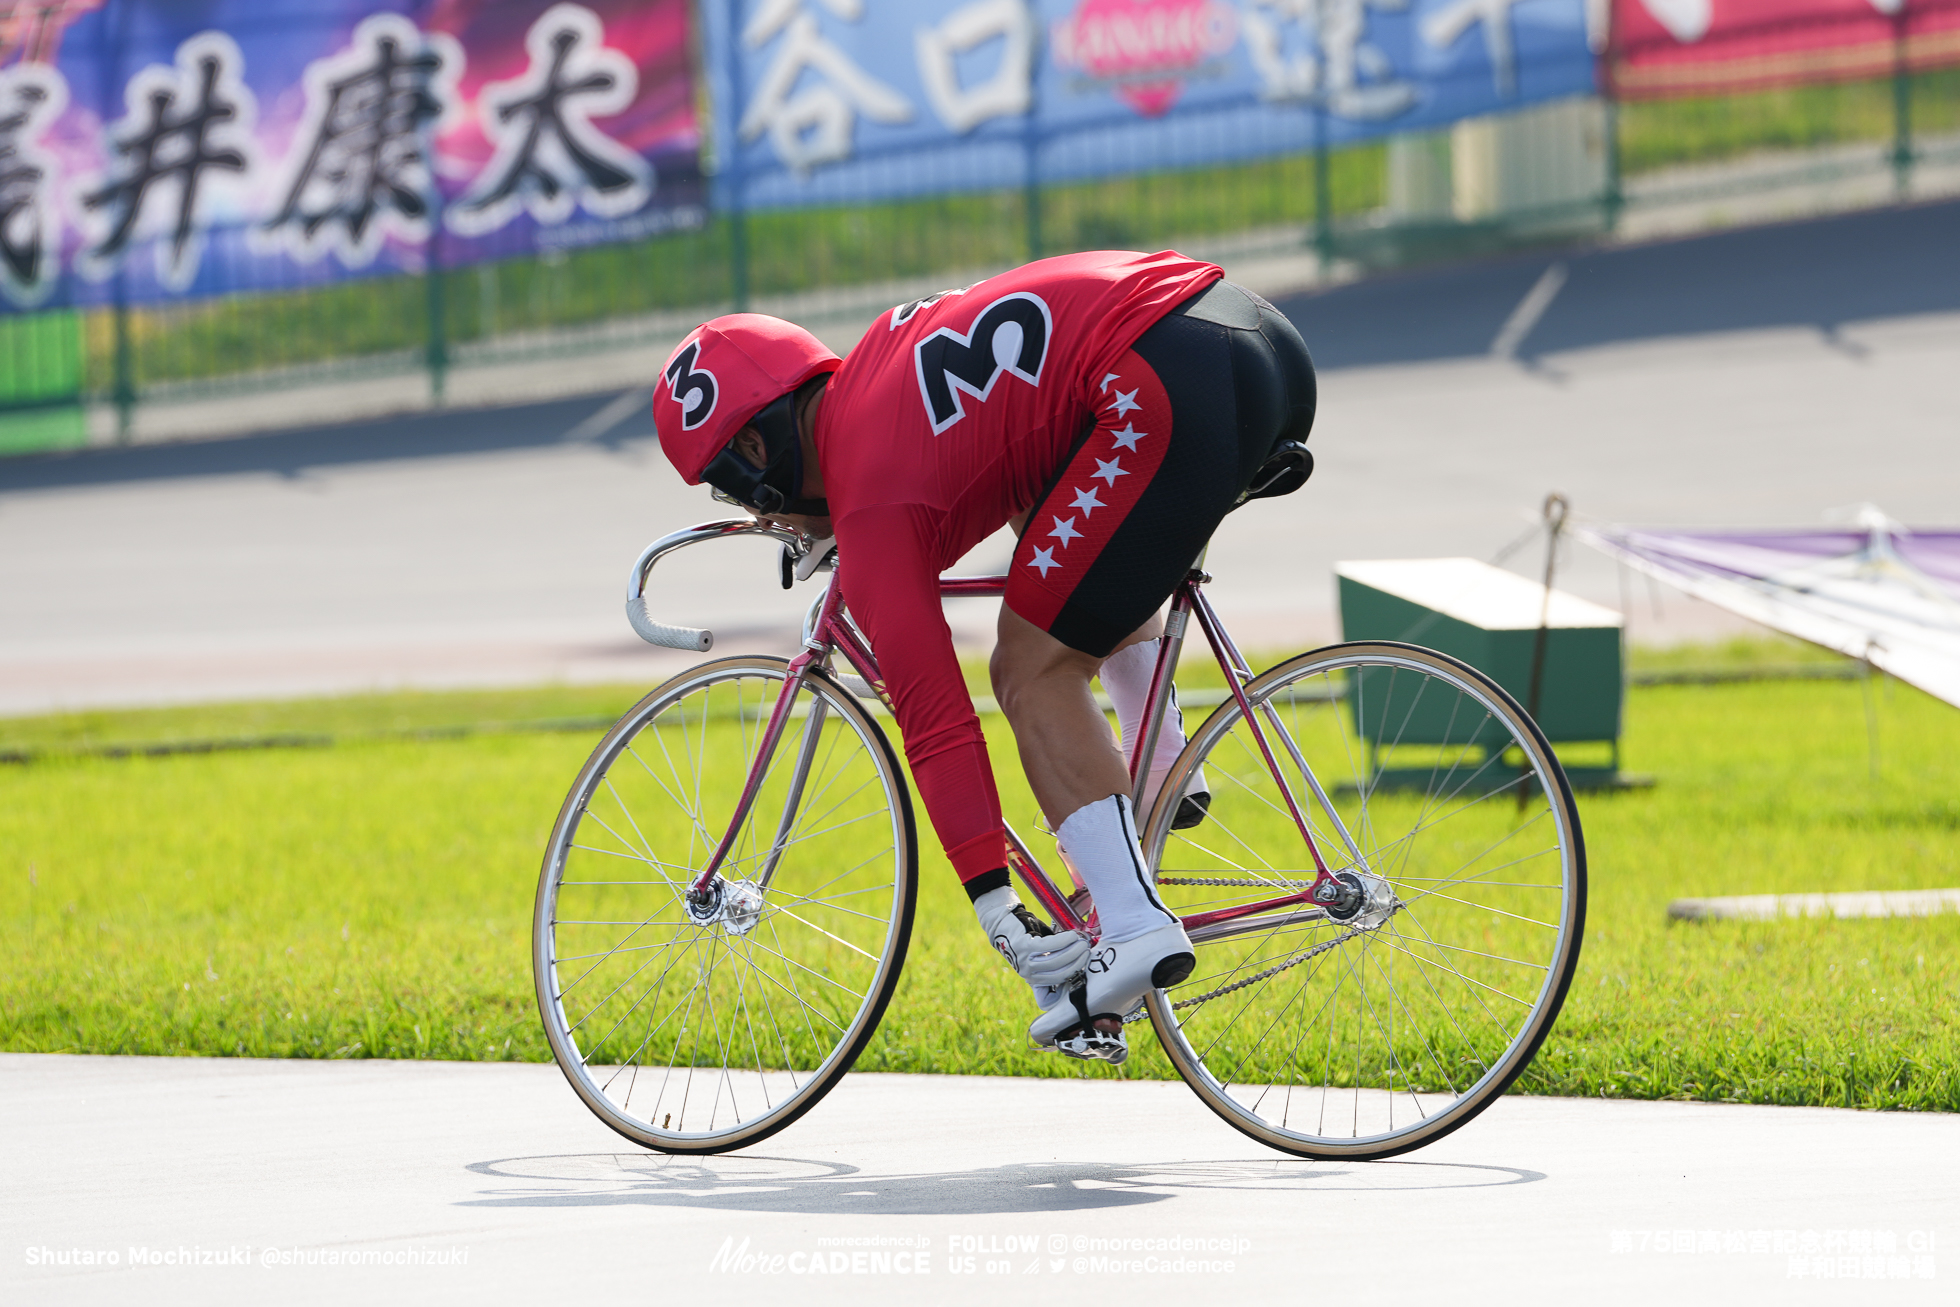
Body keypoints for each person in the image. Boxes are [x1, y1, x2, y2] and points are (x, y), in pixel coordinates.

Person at [651, 250, 1315, 1063]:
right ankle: (1159, 764)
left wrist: (995, 907)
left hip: (1163, 375)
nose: (755, 517)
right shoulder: (878, 367)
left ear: (757, 456)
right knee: (1048, 529)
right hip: (1244, 332)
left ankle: (1136, 925)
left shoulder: (873, 505)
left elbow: (936, 722)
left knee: (1031, 668)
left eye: (730, 489)